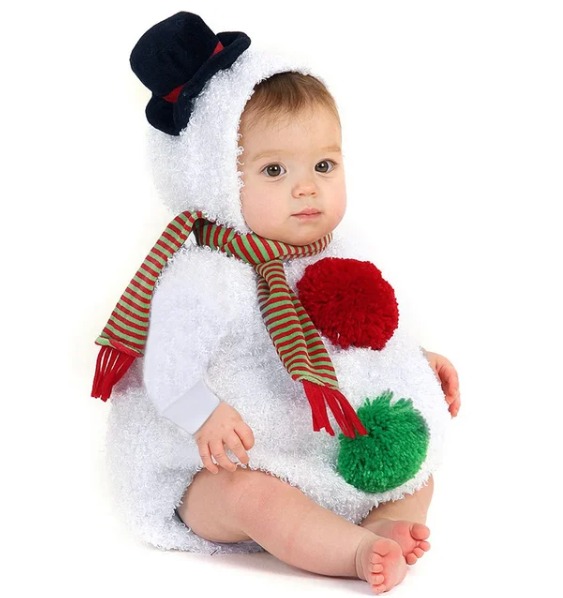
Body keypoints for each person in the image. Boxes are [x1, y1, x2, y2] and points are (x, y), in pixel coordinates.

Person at [93, 12, 460, 595]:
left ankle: (382, 524)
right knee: (253, 498)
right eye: (273, 170)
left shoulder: (336, 251)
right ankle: (354, 552)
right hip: (212, 465)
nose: (306, 187)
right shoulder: (208, 274)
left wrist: (414, 360)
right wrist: (202, 414)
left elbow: (359, 335)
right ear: (215, 176)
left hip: (313, 453)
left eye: (323, 165)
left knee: (416, 467)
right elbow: (166, 364)